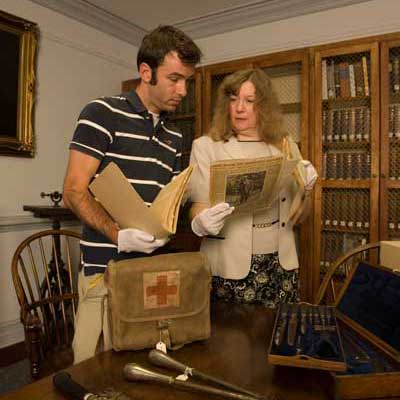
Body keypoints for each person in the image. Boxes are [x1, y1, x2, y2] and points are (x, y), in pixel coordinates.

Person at [63, 25, 202, 363]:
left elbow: (167, 202)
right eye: (174, 78)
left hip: (150, 274)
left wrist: (190, 215)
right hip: (104, 271)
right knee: (91, 365)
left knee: (140, 365)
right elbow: (73, 190)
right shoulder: (101, 114)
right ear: (145, 72)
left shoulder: (174, 135)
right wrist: (117, 235)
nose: (183, 90)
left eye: (187, 81)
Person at [188, 69, 317, 308]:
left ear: (264, 107)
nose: (239, 108)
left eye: (249, 101)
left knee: (277, 341)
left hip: (281, 265)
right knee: (229, 342)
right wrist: (201, 222)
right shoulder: (206, 147)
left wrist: (307, 191)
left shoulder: (285, 146)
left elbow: (299, 218)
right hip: (229, 265)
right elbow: (197, 206)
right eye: (234, 99)